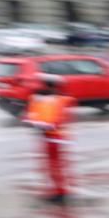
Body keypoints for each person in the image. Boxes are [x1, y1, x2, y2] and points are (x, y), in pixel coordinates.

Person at [24, 76, 73, 204]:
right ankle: (59, 191)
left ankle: (60, 192)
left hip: (51, 136)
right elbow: (61, 118)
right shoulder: (62, 99)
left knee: (53, 166)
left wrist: (37, 123)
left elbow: (51, 120)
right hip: (57, 136)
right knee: (56, 166)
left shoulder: (47, 100)